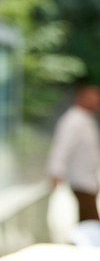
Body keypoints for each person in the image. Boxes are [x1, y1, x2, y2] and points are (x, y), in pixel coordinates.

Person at [48, 83, 100, 222]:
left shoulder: (86, 120)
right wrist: (56, 172)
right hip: (80, 181)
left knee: (88, 221)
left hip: (88, 180)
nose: (97, 99)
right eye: (93, 96)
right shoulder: (73, 121)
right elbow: (61, 148)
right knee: (91, 224)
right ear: (81, 97)